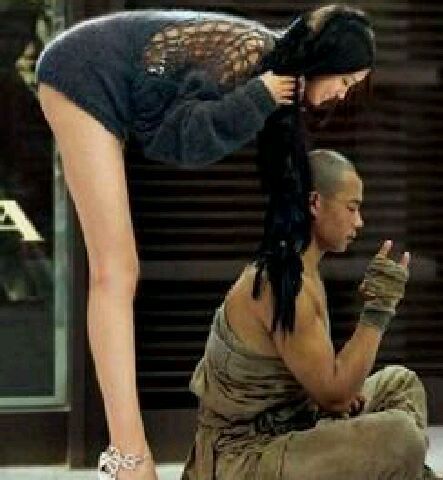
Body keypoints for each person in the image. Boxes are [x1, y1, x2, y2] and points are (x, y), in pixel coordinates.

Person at [35, 5, 375, 479]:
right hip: (82, 73)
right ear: (324, 61)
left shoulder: (274, 73)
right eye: (346, 80)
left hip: (109, 77)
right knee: (115, 271)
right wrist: (256, 98)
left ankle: (129, 456)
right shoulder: (253, 58)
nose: (343, 92)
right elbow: (174, 138)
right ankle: (128, 459)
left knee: (119, 270)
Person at [182, 149, 443, 479]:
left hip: (295, 424)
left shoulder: (303, 270)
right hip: (245, 456)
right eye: (351, 208)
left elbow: (323, 385)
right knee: (399, 438)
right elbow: (335, 396)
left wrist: (334, 398)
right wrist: (379, 309)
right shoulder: (281, 283)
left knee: (401, 383)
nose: (359, 222)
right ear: (315, 203)